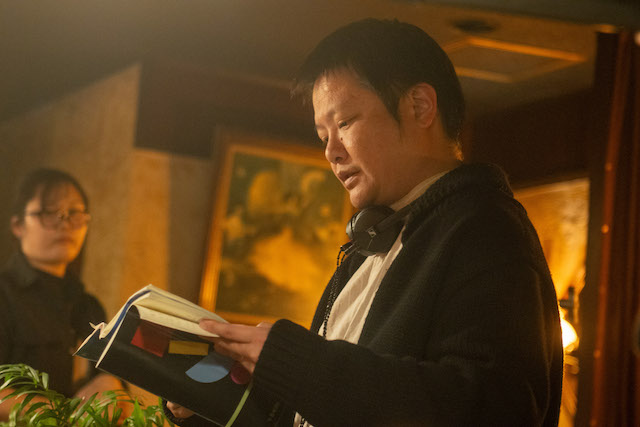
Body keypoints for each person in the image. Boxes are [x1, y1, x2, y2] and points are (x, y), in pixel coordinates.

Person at [166, 18, 563, 426]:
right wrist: (213, 403)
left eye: (344, 123)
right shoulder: (369, 243)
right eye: (323, 136)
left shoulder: (485, 229)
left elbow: (493, 410)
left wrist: (298, 363)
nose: (331, 153)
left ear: (420, 107)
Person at [0, 168, 122, 419]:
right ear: (18, 225)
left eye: (74, 213)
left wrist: (112, 387)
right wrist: (64, 415)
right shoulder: (4, 295)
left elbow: (108, 382)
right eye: (49, 212)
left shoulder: (89, 306)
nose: (64, 223)